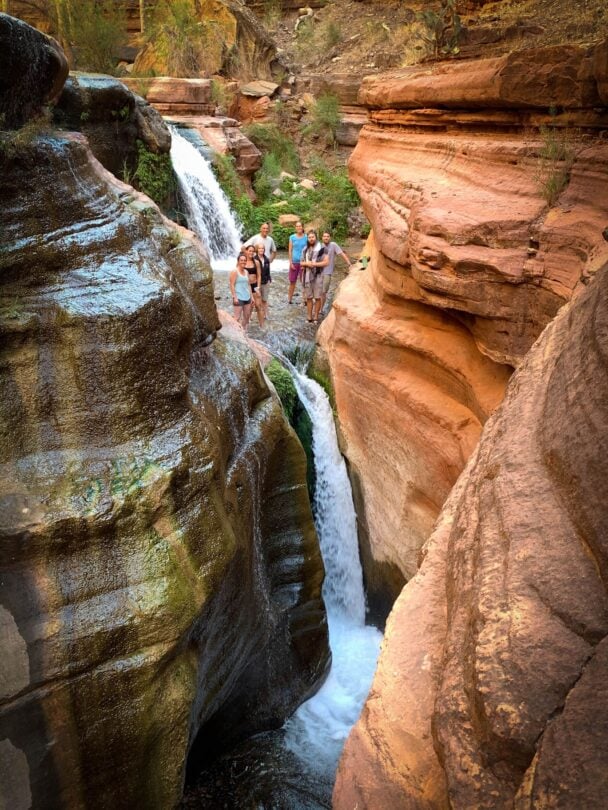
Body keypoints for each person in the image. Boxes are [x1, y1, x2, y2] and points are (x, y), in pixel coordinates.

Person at [301, 230, 329, 324]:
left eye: (313, 237)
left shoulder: (322, 248)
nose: (311, 239)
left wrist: (315, 264)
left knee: (317, 297)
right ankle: (309, 317)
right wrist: (307, 263)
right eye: (309, 237)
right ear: (307, 238)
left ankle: (316, 317)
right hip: (307, 275)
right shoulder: (305, 249)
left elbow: (326, 262)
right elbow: (301, 262)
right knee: (309, 297)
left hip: (318, 275)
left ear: (316, 237)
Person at [320, 231, 352, 312]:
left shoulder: (333, 245)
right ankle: (316, 308)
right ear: (322, 238)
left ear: (329, 238)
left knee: (323, 292)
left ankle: (320, 309)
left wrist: (349, 264)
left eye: (327, 236)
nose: (326, 238)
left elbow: (342, 254)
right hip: (318, 272)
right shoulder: (319, 246)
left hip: (327, 273)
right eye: (324, 236)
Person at [229, 254, 252, 329]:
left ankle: (243, 331)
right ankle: (235, 333)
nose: (243, 262)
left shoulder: (246, 272)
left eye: (245, 260)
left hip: (247, 297)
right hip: (238, 298)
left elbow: (248, 285)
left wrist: (252, 297)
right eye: (241, 260)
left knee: (247, 316)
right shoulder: (234, 271)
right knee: (237, 317)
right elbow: (232, 285)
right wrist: (234, 297)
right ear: (238, 261)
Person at [287, 221, 308, 305]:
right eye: (297, 226)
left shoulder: (306, 237)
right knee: (292, 281)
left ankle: (305, 300)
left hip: (303, 262)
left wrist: (306, 262)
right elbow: (290, 250)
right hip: (294, 262)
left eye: (300, 226)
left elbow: (309, 250)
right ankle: (289, 299)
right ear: (295, 228)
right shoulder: (292, 237)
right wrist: (290, 262)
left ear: (302, 227)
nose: (298, 228)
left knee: (303, 282)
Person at [244, 244, 264, 328]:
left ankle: (262, 326)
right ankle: (246, 325)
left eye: (253, 251)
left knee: (258, 306)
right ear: (246, 251)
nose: (251, 253)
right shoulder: (242, 261)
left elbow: (259, 275)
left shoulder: (256, 262)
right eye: (250, 251)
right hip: (245, 287)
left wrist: (258, 288)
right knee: (248, 307)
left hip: (255, 285)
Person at [256, 242, 272, 322]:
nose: (261, 250)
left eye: (262, 248)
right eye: (259, 248)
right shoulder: (254, 259)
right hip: (257, 283)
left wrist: (269, 279)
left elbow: (268, 270)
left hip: (266, 281)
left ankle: (266, 314)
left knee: (264, 300)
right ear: (257, 250)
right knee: (257, 300)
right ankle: (259, 314)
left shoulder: (266, 259)